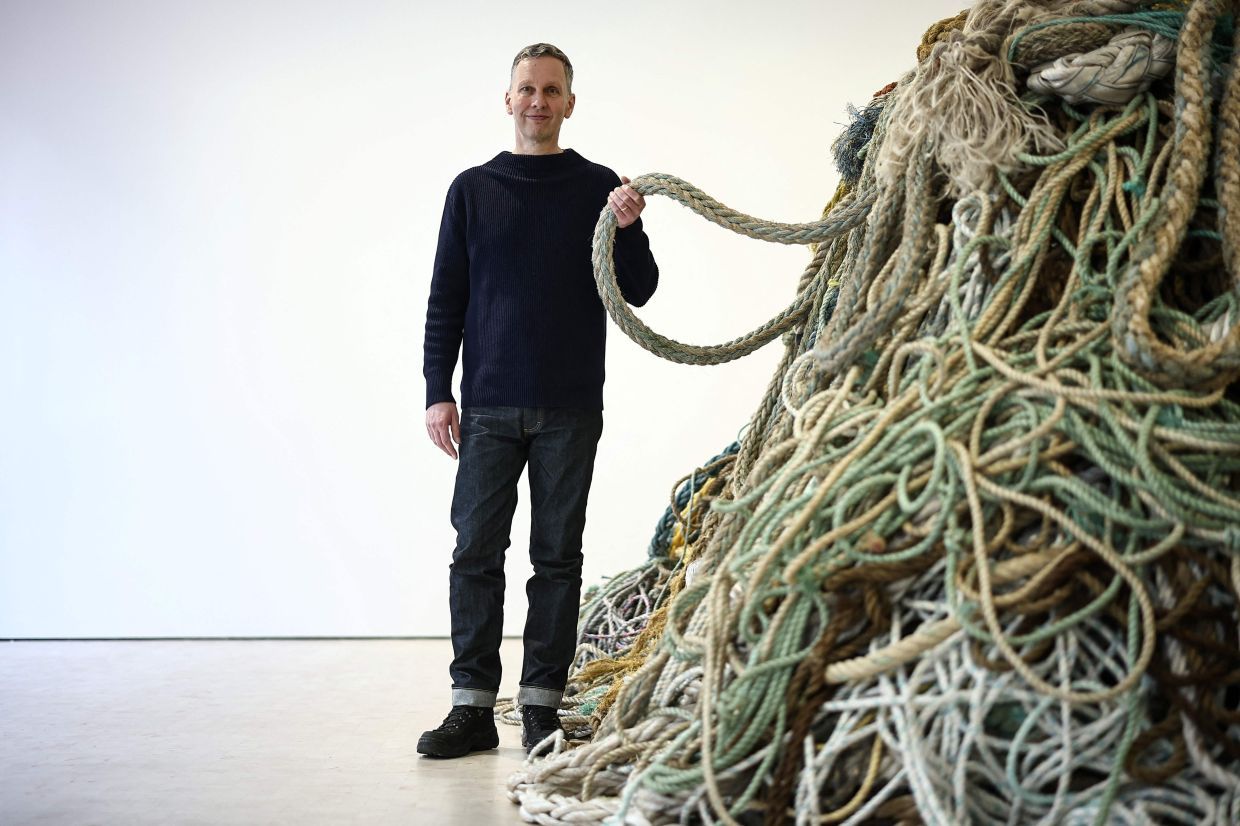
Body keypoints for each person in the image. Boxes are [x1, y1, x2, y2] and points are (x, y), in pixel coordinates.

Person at [417, 43, 659, 758]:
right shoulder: (471, 190)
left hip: (570, 406)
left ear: (569, 104)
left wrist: (630, 224)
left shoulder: (598, 189)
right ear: (508, 98)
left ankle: (541, 708)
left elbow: (638, 290)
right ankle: (470, 709)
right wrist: (438, 392)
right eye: (527, 88)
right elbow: (445, 301)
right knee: (475, 555)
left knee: (557, 559)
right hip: (488, 405)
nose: (539, 101)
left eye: (552, 90)